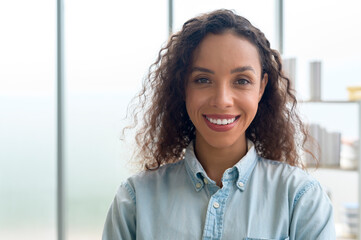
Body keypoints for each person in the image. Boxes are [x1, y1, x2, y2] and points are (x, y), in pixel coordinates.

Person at [103, 9, 335, 240]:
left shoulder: (301, 199)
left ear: (261, 87)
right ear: (183, 87)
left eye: (242, 81)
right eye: (203, 80)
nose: (222, 100)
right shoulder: (134, 200)